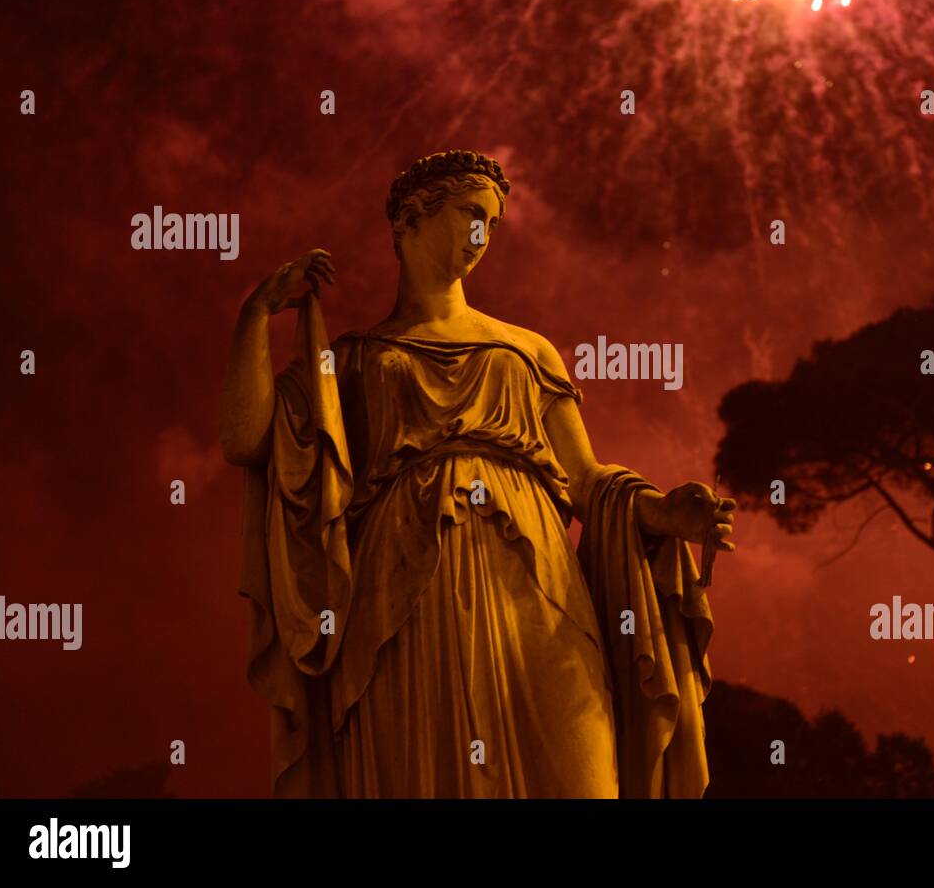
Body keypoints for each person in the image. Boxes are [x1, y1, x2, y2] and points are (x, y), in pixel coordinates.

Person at [219, 149, 736, 797]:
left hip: (536, 576)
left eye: (491, 222)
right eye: (470, 213)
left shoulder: (527, 349)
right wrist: (254, 316)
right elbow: (246, 439)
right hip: (402, 594)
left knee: (582, 768)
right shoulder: (354, 360)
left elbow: (584, 477)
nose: (481, 235)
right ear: (410, 218)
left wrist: (662, 513)